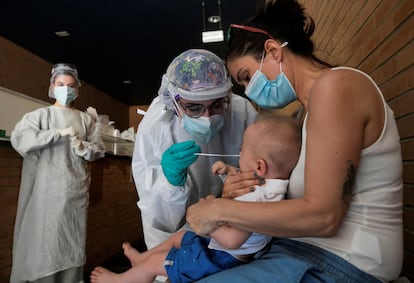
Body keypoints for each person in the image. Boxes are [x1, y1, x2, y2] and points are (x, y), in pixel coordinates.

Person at [186, 0, 404, 282]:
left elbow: (324, 216)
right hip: (300, 248)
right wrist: (243, 186)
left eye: (247, 77)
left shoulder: (337, 87)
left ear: (273, 51)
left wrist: (220, 209)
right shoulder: (303, 114)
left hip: (349, 261)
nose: (250, 92)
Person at [90, 113, 301, 283]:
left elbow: (232, 240)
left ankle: (122, 279)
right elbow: (252, 179)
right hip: (221, 248)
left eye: (241, 150)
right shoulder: (273, 184)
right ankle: (140, 259)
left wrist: (209, 214)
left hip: (222, 258)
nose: (238, 154)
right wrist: (229, 170)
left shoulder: (259, 202)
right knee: (178, 238)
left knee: (157, 262)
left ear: (259, 166)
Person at [131, 49, 257, 250]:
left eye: (216, 105)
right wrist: (171, 184)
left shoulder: (241, 112)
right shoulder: (157, 124)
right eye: (194, 108)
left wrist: (238, 183)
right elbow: (160, 216)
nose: (207, 117)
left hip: (229, 226)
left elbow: (262, 169)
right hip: (175, 237)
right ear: (174, 101)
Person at [10, 63, 106, 283]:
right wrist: (56, 133)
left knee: (70, 245)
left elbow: (99, 150)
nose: (66, 89)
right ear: (52, 86)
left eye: (71, 85)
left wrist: (82, 146)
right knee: (43, 245)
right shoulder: (39, 116)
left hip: (74, 195)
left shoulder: (84, 120)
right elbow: (19, 139)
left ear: (77, 89)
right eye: (61, 84)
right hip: (44, 195)